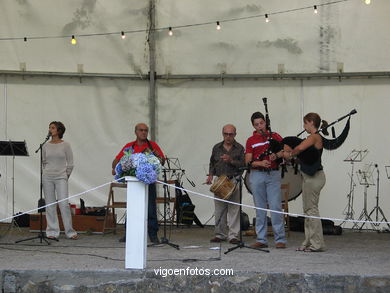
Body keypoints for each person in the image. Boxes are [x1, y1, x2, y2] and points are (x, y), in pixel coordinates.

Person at [112, 123, 165, 244]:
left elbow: (162, 162)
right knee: (131, 208)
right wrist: (117, 165)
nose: (144, 132)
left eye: (146, 130)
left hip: (148, 182)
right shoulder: (129, 146)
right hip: (133, 184)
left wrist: (158, 158)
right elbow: (116, 160)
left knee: (151, 208)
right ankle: (128, 233)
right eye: (141, 130)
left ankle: (153, 234)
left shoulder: (152, 145)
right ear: (135, 132)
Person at [283, 112, 327, 252]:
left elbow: (300, 148)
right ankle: (308, 242)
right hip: (308, 177)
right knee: (308, 210)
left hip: (314, 178)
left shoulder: (314, 136)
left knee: (311, 210)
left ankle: (317, 244)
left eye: (305, 123)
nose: (304, 126)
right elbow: (302, 156)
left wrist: (289, 153)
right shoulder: (313, 137)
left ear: (311, 123)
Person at [245, 112, 286, 249]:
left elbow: (285, 151)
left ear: (265, 123)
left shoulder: (275, 136)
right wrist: (261, 163)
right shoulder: (251, 140)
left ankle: (280, 239)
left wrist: (276, 155)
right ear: (253, 126)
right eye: (256, 125)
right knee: (260, 208)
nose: (260, 126)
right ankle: (261, 239)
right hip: (257, 175)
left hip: (273, 174)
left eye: (261, 123)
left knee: (275, 206)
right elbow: (248, 161)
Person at [206, 124, 245, 245]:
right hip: (220, 180)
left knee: (234, 209)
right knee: (219, 209)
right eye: (226, 134)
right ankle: (220, 234)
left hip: (234, 180)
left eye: (231, 134)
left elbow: (243, 165)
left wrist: (231, 160)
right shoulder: (216, 147)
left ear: (235, 134)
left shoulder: (239, 148)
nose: (228, 136)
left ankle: (233, 236)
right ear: (222, 134)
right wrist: (210, 175)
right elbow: (212, 163)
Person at [42, 121, 78, 240]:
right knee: (50, 204)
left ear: (59, 130)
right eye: (49, 127)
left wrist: (65, 176)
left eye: (52, 128)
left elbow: (70, 163)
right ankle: (52, 231)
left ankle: (70, 231)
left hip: (61, 177)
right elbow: (43, 162)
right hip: (47, 177)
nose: (50, 129)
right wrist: (47, 172)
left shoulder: (65, 145)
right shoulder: (45, 145)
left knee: (63, 204)